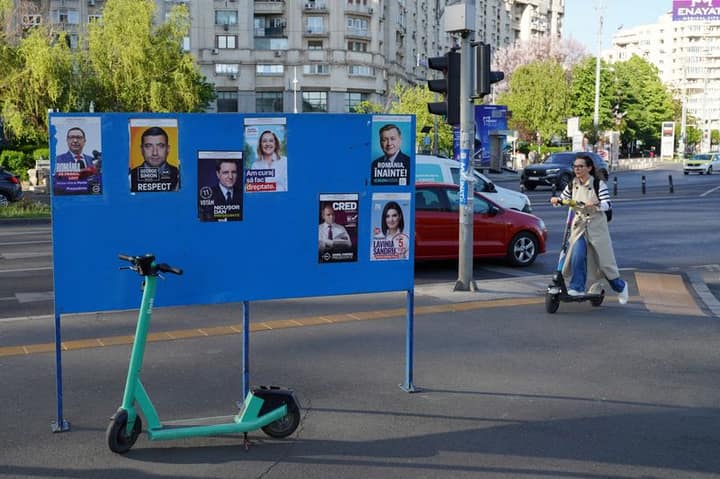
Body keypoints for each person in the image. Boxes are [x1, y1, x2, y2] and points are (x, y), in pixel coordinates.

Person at [550, 153, 628, 304]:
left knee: (604, 263)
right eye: (575, 166)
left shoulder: (598, 184)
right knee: (577, 254)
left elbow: (607, 204)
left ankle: (620, 286)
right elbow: (564, 198)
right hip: (579, 226)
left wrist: (596, 204)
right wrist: (557, 200)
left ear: (589, 168)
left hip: (596, 226)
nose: (577, 169)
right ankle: (577, 287)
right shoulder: (573, 184)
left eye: (580, 166)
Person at [130, 126, 179, 192]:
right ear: (142, 150)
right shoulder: (131, 176)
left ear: (168, 149)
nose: (155, 153)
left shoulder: (178, 174)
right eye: (148, 146)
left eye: (160, 146)